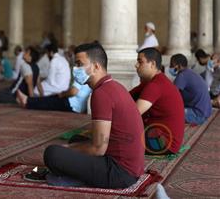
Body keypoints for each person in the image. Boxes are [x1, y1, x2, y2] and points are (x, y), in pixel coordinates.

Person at [41, 42, 144, 188]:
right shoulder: (113, 85)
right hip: (132, 168)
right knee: (76, 139)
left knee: (52, 154)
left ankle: (79, 177)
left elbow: (98, 148)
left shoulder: (101, 93)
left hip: (119, 173)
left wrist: (68, 150)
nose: (75, 69)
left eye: (79, 64)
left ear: (96, 66)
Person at [130, 48, 184, 155]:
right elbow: (126, 97)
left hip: (163, 143)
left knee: (117, 138)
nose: (136, 65)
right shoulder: (151, 82)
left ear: (152, 64)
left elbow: (132, 115)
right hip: (156, 134)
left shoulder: (156, 85)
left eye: (140, 62)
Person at [170, 54, 212, 125]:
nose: (170, 67)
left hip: (198, 115)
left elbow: (171, 96)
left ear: (179, 66)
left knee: (168, 112)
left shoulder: (182, 76)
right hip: (206, 112)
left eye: (172, 65)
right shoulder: (190, 72)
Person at [16, 80, 91, 113]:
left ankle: (27, 101)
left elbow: (73, 92)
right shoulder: (92, 78)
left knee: (49, 102)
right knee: (51, 98)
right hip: (77, 107)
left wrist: (62, 94)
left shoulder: (83, 76)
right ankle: (28, 100)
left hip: (71, 104)